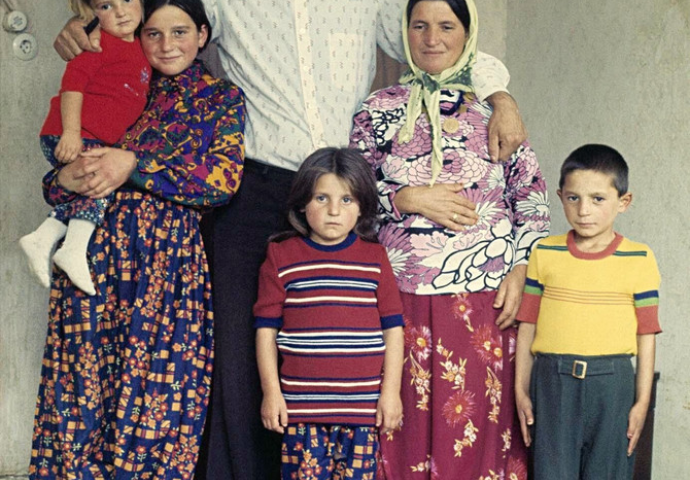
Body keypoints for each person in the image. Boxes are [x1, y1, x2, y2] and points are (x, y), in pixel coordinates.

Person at [51, 2, 530, 478]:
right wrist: (87, 25)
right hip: (254, 188)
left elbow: (434, 43)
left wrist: (502, 98)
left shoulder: (369, 5)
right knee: (239, 352)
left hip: (337, 193)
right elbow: (156, 24)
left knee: (335, 344)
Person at [28, 0, 245, 477]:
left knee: (159, 397)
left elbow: (222, 182)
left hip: (168, 268)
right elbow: (62, 173)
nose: (167, 46)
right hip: (90, 259)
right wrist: (62, 181)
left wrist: (134, 165)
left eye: (180, 32)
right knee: (79, 391)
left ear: (202, 36)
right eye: (154, 34)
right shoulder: (121, 80)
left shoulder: (219, 98)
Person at [349, 0, 550, 477]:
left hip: (485, 298)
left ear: (467, 33)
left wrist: (522, 270)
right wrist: (406, 198)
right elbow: (349, 194)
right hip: (400, 299)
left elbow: (532, 198)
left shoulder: (495, 109)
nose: (432, 38)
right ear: (405, 32)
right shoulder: (378, 109)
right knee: (404, 426)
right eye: (419, 26)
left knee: (475, 426)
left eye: (446, 26)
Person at [253, 148, 405, 479]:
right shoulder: (281, 257)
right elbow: (266, 332)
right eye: (321, 198)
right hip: (301, 413)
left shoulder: (375, 259)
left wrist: (391, 393)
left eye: (346, 200)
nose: (334, 210)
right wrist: (271, 393)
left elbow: (393, 331)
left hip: (362, 413)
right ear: (302, 203)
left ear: (362, 206)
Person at [514, 144, 661, 479]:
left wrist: (641, 403)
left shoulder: (639, 258)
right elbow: (527, 325)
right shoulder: (545, 253)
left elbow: (647, 334)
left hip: (612, 384)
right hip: (552, 382)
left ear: (623, 201)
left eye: (598, 199)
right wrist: (521, 390)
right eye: (573, 198)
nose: (583, 210)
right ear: (560, 197)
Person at [20, 0, 151, 295]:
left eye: (127, 0)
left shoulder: (141, 47)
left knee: (89, 187)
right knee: (99, 181)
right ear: (92, 13)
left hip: (93, 137)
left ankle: (44, 237)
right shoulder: (97, 44)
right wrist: (70, 133)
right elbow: (72, 87)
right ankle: (73, 249)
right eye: (106, 6)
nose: (120, 12)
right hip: (73, 133)